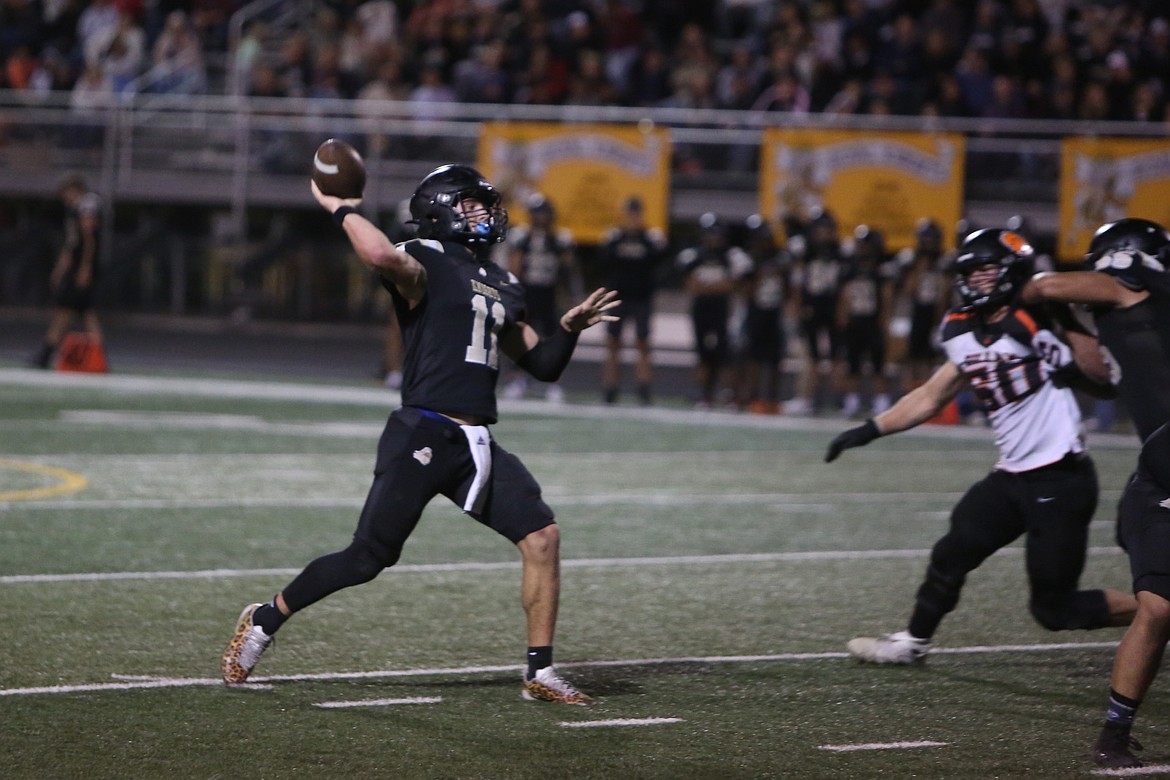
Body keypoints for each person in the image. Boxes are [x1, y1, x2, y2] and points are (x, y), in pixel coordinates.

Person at [221, 164, 619, 705]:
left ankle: (539, 672)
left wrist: (568, 330)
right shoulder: (424, 256)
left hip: (477, 442)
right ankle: (266, 618)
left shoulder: (503, 280)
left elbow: (543, 364)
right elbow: (383, 256)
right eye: (473, 204)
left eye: (485, 204)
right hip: (424, 430)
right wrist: (342, 207)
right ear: (441, 209)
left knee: (542, 537)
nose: (485, 213)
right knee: (367, 558)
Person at [825, 227, 1136, 666]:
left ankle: (1157, 614)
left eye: (987, 270)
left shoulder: (1041, 320)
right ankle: (911, 644)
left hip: (1060, 477)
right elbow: (932, 395)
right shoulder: (961, 329)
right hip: (1011, 474)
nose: (977, 280)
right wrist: (870, 429)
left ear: (1013, 271)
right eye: (971, 272)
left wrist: (1065, 329)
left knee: (1053, 609)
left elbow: (1104, 381)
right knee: (951, 553)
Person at [1021, 218, 1170, 768]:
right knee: (1157, 609)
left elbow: (1044, 285)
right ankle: (1114, 733)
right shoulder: (1135, 312)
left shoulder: (1135, 278)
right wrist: (1064, 322)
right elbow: (1100, 376)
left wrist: (1032, 293)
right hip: (1161, 477)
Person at [502, 192, 582, 403]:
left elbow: (568, 269)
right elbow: (514, 267)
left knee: (551, 338)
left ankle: (552, 383)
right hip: (526, 293)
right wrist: (511, 293)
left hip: (549, 294)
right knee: (518, 338)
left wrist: (572, 294)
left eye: (543, 213)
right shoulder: (521, 237)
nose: (540, 218)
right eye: (537, 213)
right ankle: (517, 380)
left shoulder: (560, 239)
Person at [676, 212, 753, 408]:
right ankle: (703, 394)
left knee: (725, 353)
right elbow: (692, 285)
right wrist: (720, 285)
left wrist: (712, 287)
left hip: (724, 310)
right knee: (703, 352)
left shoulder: (732, 255)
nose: (713, 238)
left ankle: (728, 394)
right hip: (702, 309)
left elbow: (735, 284)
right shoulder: (694, 255)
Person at [27, 174, 104, 369]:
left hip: (82, 267)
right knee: (84, 311)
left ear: (75, 189)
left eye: (67, 193)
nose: (65, 198)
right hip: (77, 266)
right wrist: (60, 269)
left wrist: (85, 268)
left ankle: (46, 354)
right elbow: (71, 245)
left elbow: (89, 240)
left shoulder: (87, 204)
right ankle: (98, 354)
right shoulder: (75, 209)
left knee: (66, 310)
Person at [597, 196, 668, 405]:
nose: (632, 218)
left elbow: (660, 261)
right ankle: (610, 388)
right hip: (617, 298)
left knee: (643, 342)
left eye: (635, 214)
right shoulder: (615, 236)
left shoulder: (650, 238)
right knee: (613, 343)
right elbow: (603, 261)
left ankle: (643, 388)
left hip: (641, 297)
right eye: (629, 213)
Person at [837, 225, 894, 417]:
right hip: (855, 321)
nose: (862, 249)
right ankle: (852, 402)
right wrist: (843, 315)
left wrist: (885, 319)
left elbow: (886, 297)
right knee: (852, 363)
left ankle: (881, 402)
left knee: (877, 365)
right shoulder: (850, 268)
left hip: (873, 321)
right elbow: (845, 295)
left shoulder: (881, 269)